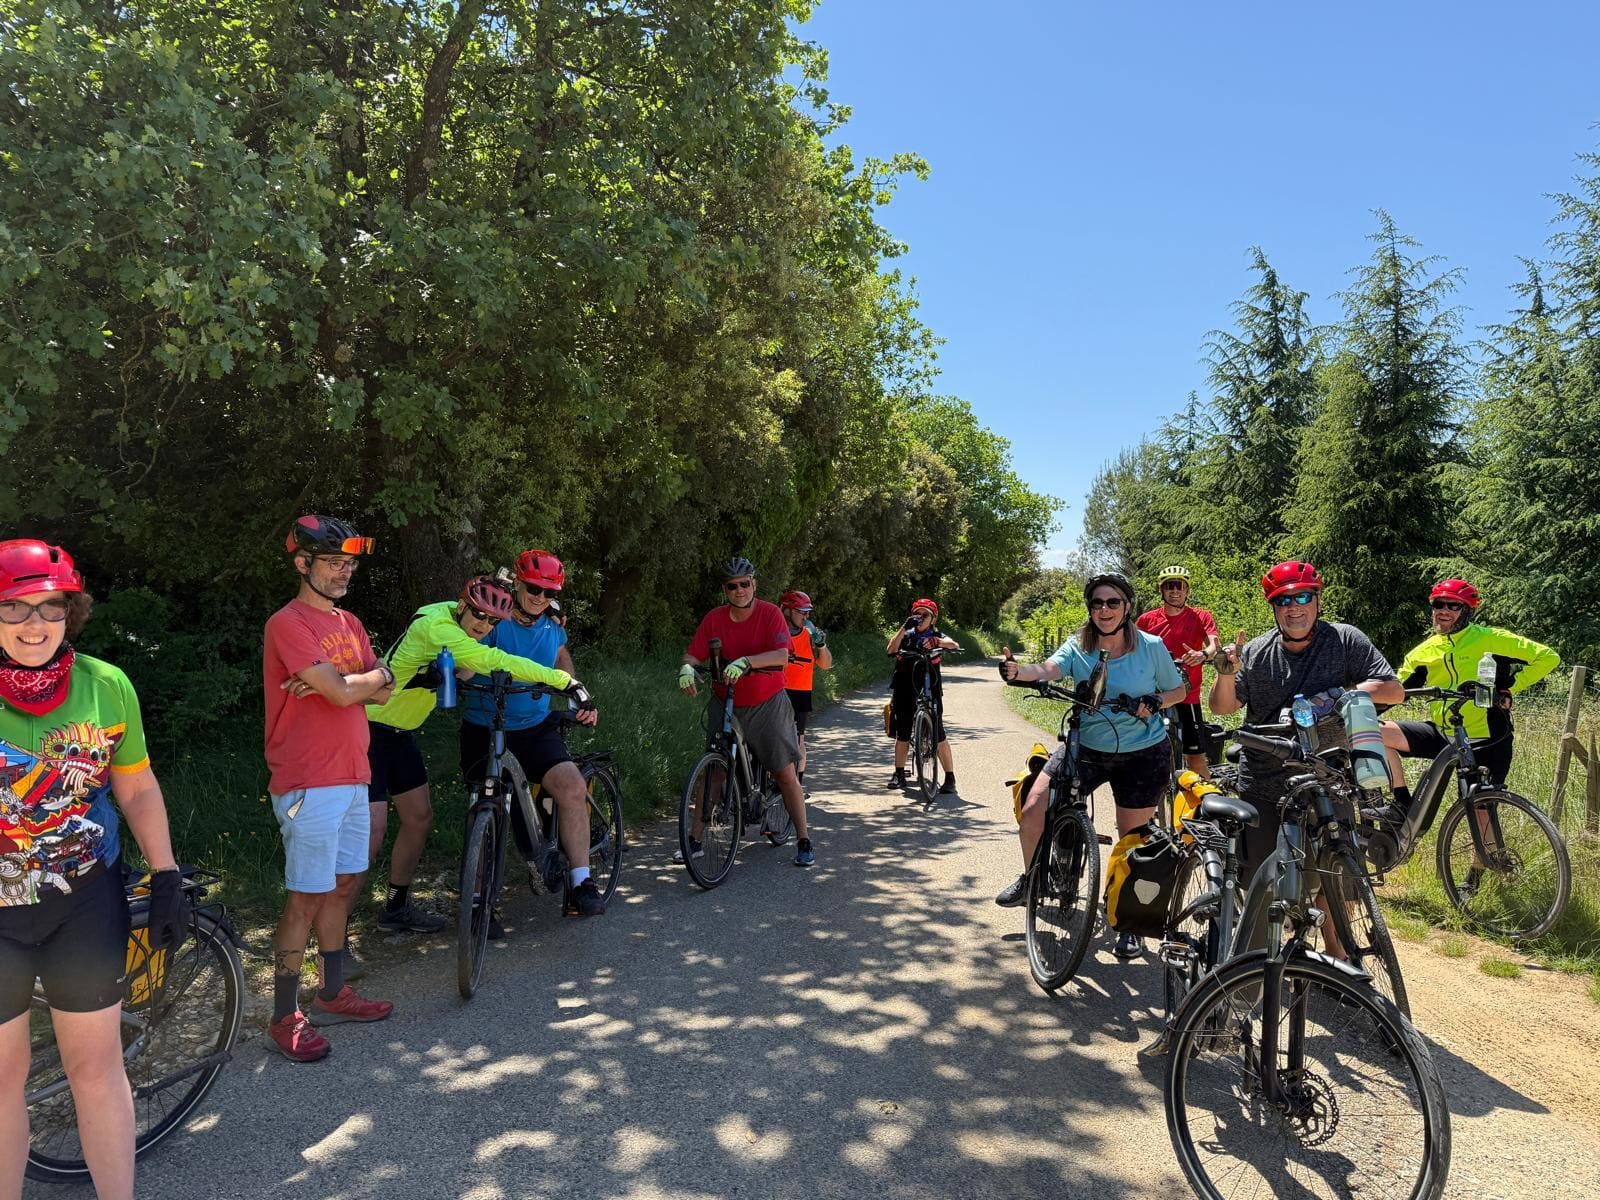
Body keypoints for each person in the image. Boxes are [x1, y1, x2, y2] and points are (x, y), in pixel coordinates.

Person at [0, 539, 185, 1196]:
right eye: (14, 609)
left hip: (82, 903)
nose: (34, 625)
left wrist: (165, 875)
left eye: (49, 608)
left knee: (96, 1069)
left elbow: (135, 788)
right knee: (2, 1078)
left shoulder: (106, 686)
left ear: (69, 612)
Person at [363, 574, 575, 935]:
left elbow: (507, 610)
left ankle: (396, 909)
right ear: (462, 605)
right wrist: (565, 682)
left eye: (492, 620)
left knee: (419, 819)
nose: (483, 624)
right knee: (370, 833)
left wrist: (550, 612)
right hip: (367, 732)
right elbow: (497, 658)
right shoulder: (439, 628)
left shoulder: (451, 614)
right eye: (478, 614)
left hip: (402, 734)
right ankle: (334, 939)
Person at [996, 573, 1185, 960]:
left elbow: (1178, 690)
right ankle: (1034, 879)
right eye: (1097, 603)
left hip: (1141, 752)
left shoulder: (1151, 647)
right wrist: (1019, 672)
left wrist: (1154, 700)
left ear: (1127, 607)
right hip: (1087, 746)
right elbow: (1048, 669)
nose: (1104, 610)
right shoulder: (1079, 645)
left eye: (1112, 602)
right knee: (1034, 807)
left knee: (1132, 842)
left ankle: (1128, 924)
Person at [264, 515, 396, 1063]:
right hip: (307, 781)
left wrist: (354, 683)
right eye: (333, 563)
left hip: (353, 773)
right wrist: (355, 685)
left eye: (349, 564)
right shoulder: (288, 623)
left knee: (343, 884)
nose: (344, 572)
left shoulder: (350, 622)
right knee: (307, 895)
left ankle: (333, 991)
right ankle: (282, 1015)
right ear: (303, 564)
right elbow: (351, 694)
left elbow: (381, 689)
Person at [1208, 560, 1404, 873]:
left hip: (1328, 778)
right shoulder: (1257, 651)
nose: (1294, 607)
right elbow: (1222, 707)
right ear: (1273, 607)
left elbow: (1393, 690)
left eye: (1302, 597)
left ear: (1317, 600)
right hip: (1263, 781)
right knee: (1264, 885)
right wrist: (1225, 674)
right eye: (1283, 600)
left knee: (1337, 881)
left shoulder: (1344, 640)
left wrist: (1333, 697)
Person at [458, 550, 605, 924]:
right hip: (484, 724)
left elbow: (561, 657)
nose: (539, 597)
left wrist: (575, 687)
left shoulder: (552, 626)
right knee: (485, 807)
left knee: (571, 787)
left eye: (547, 591)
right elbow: (465, 654)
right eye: (533, 589)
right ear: (518, 584)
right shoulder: (494, 618)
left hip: (534, 727)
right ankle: (477, 903)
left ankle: (581, 881)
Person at [677, 557, 814, 866]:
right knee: (714, 773)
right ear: (724, 589)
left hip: (767, 702)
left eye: (744, 584)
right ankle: (695, 840)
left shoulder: (770, 614)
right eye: (731, 586)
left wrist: (748, 662)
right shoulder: (714, 618)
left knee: (783, 771)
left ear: (754, 584)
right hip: (725, 700)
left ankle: (804, 839)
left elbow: (781, 654)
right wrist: (686, 668)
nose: (738, 591)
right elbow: (693, 653)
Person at [1380, 578, 1559, 798]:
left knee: (1481, 808)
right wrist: (1360, 710)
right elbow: (1395, 692)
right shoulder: (1423, 652)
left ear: (1467, 611)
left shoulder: (1492, 639)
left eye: (1453, 605)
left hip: (1486, 739)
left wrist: (1509, 687)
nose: (1444, 611)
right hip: (1442, 734)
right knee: (1373, 732)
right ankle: (1401, 803)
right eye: (1439, 604)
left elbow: (1548, 657)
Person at [1136, 565, 1220, 778]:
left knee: (1197, 756)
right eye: (1169, 586)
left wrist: (1203, 654)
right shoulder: (1147, 620)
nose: (1175, 590)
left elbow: (1213, 644)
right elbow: (1132, 650)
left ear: (1187, 590)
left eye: (1180, 586)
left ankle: (1204, 807)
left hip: (1188, 694)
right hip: (1154, 693)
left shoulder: (1201, 616)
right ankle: (1147, 807)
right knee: (1143, 755)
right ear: (1161, 590)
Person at [885, 599, 961, 793]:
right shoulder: (907, 633)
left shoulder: (936, 635)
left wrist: (938, 642)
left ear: (933, 619)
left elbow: (953, 645)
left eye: (925, 615)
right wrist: (904, 627)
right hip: (904, 684)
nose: (920, 618)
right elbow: (891, 650)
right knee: (903, 731)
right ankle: (899, 774)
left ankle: (950, 778)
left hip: (930, 684)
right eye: (916, 614)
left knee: (938, 731)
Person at [779, 590, 833, 794]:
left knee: (798, 738)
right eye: (802, 612)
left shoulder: (809, 633)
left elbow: (826, 665)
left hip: (801, 691)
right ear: (786, 610)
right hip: (776, 689)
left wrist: (821, 644)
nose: (806, 616)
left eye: (808, 612)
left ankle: (797, 786)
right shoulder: (775, 630)